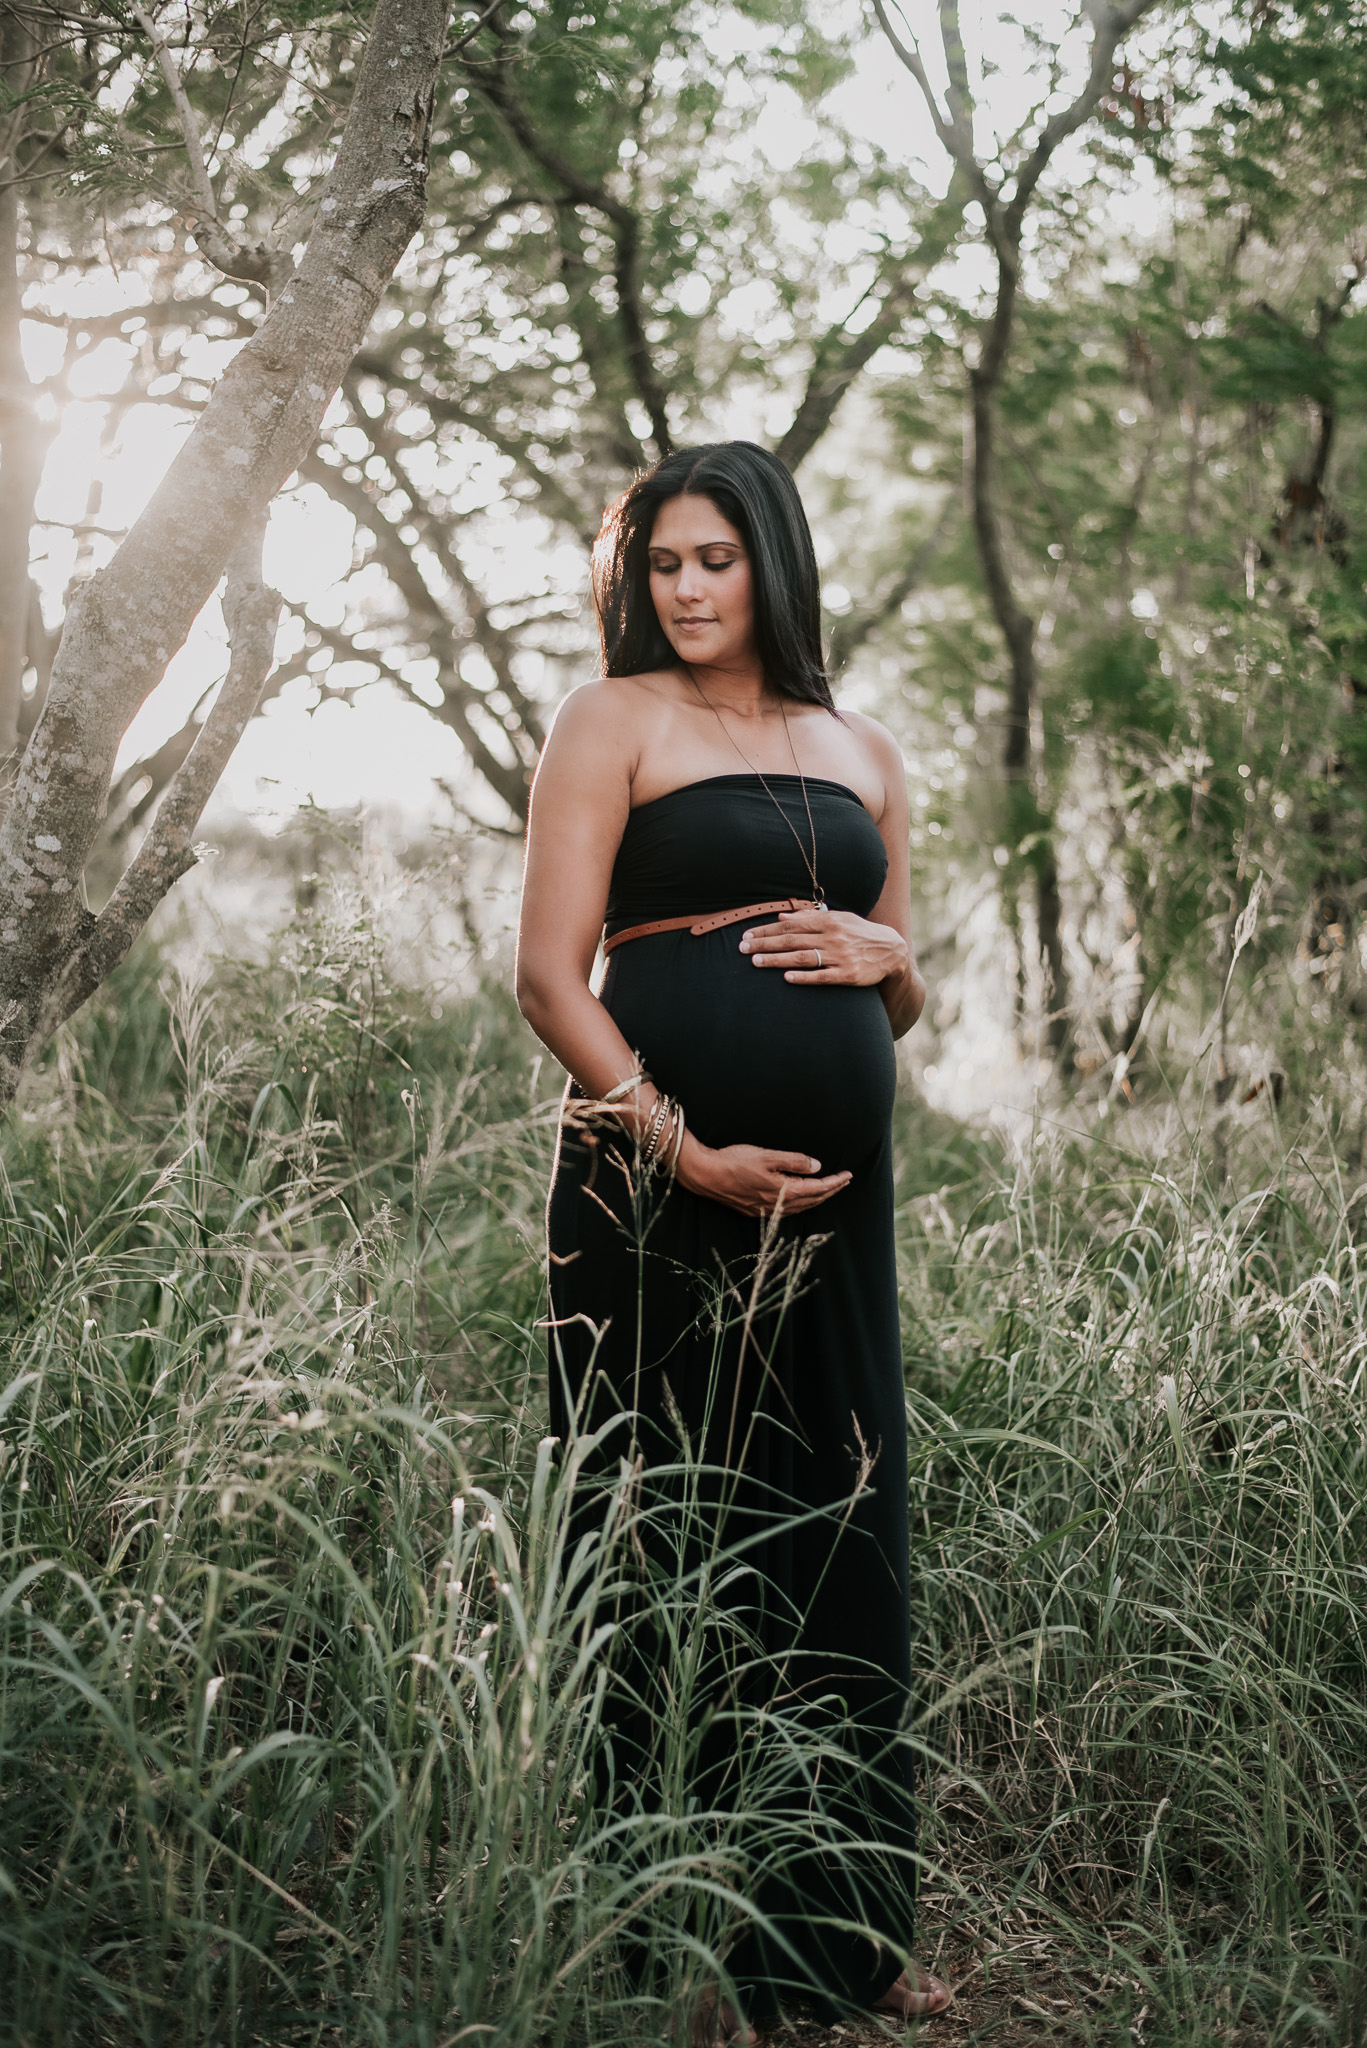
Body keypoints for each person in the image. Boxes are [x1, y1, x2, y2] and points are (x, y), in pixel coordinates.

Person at [515, 441, 950, 2041]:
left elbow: (903, 996)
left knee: (835, 1522)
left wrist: (890, 954)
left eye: (715, 560)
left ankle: (832, 1938)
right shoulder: (610, 722)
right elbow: (551, 979)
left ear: (773, 560)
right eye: (663, 565)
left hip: (839, 1218)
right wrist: (683, 1152)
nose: (687, 591)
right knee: (659, 1516)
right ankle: (651, 1926)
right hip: (651, 1190)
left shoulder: (865, 748)